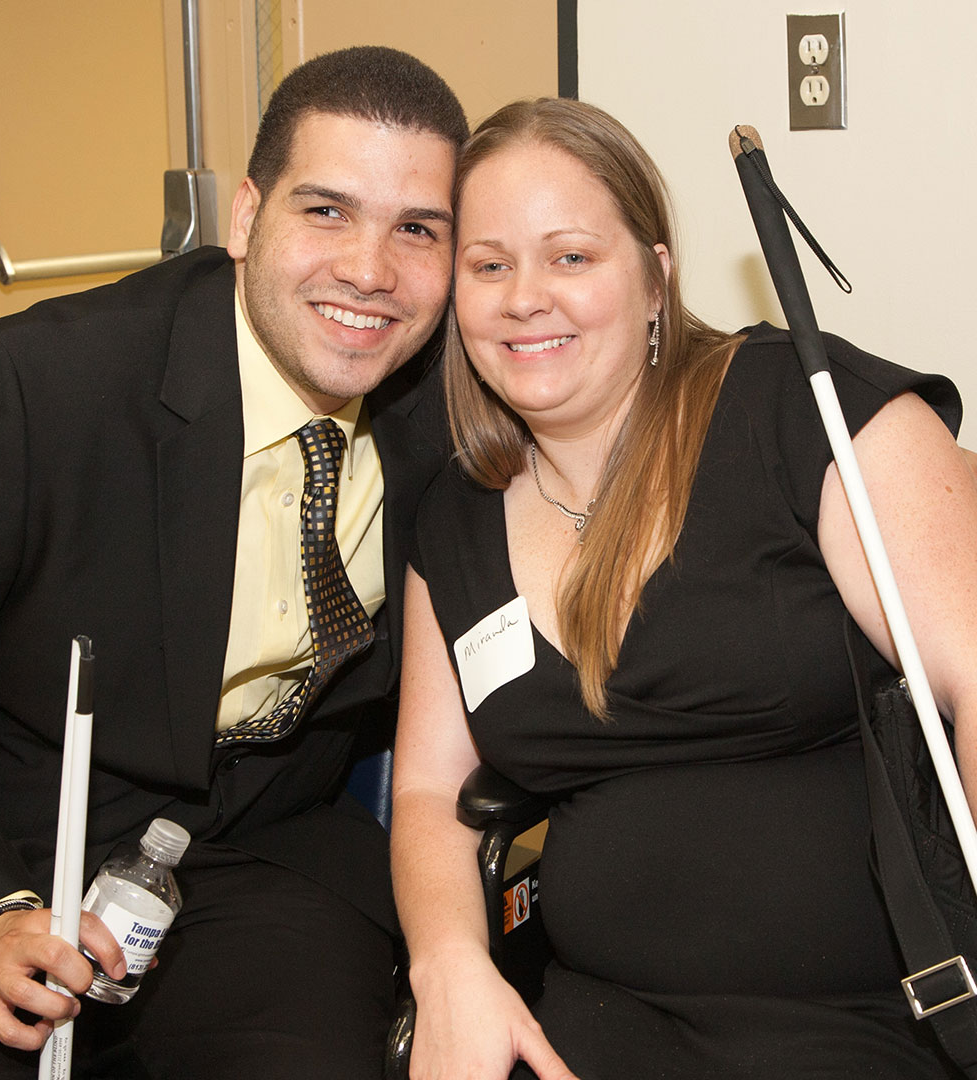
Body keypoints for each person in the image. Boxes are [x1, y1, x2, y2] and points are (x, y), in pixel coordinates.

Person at [0, 46, 467, 1079]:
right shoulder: (33, 392)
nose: (372, 272)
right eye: (327, 212)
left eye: (417, 230)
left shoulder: (452, 412)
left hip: (257, 858)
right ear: (245, 218)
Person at [391, 97, 977, 1080]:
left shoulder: (799, 414)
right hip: (589, 1027)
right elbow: (426, 788)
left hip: (864, 1023)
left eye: (571, 256)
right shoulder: (456, 515)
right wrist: (449, 963)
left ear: (657, 277)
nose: (525, 296)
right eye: (488, 266)